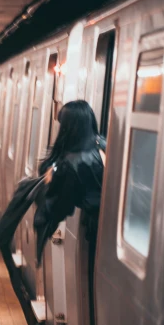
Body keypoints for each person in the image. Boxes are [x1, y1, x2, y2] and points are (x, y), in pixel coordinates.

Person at [34, 100, 106, 265]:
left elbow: (58, 207)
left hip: (96, 232)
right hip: (110, 229)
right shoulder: (103, 144)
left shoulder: (73, 162)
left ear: (69, 127)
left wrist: (48, 183)